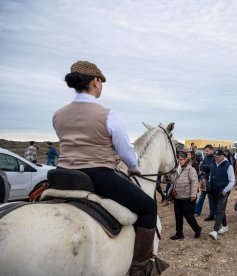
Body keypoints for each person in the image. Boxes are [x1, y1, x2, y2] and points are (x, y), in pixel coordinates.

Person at [53, 60, 167, 275]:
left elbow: (77, 144)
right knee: (148, 207)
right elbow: (125, 152)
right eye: (101, 81)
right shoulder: (107, 114)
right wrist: (134, 167)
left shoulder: (58, 115)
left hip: (63, 175)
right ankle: (140, 267)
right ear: (95, 82)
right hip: (98, 175)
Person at [170, 152, 202, 240]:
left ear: (185, 159)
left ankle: (197, 229)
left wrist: (193, 195)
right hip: (177, 197)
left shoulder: (190, 169)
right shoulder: (177, 169)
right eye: (178, 159)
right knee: (178, 216)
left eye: (180, 159)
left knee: (189, 215)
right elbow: (173, 180)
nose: (179, 161)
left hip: (187, 197)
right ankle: (179, 233)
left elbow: (195, 182)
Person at [208, 149, 236, 240]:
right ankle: (225, 225)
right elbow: (210, 176)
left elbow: (232, 181)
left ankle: (215, 231)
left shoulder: (228, 166)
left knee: (219, 211)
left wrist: (225, 190)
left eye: (217, 157)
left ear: (222, 156)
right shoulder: (213, 164)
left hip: (223, 192)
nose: (216, 158)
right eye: (215, 157)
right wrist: (208, 183)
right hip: (213, 191)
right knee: (219, 209)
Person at [195, 145, 217, 221]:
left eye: (207, 151)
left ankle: (213, 214)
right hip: (204, 179)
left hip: (211, 181)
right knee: (201, 196)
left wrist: (206, 167)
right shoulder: (206, 158)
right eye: (205, 151)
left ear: (211, 150)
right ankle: (197, 212)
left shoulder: (215, 158)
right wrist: (207, 167)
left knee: (211, 198)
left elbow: (213, 167)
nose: (205, 152)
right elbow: (201, 167)